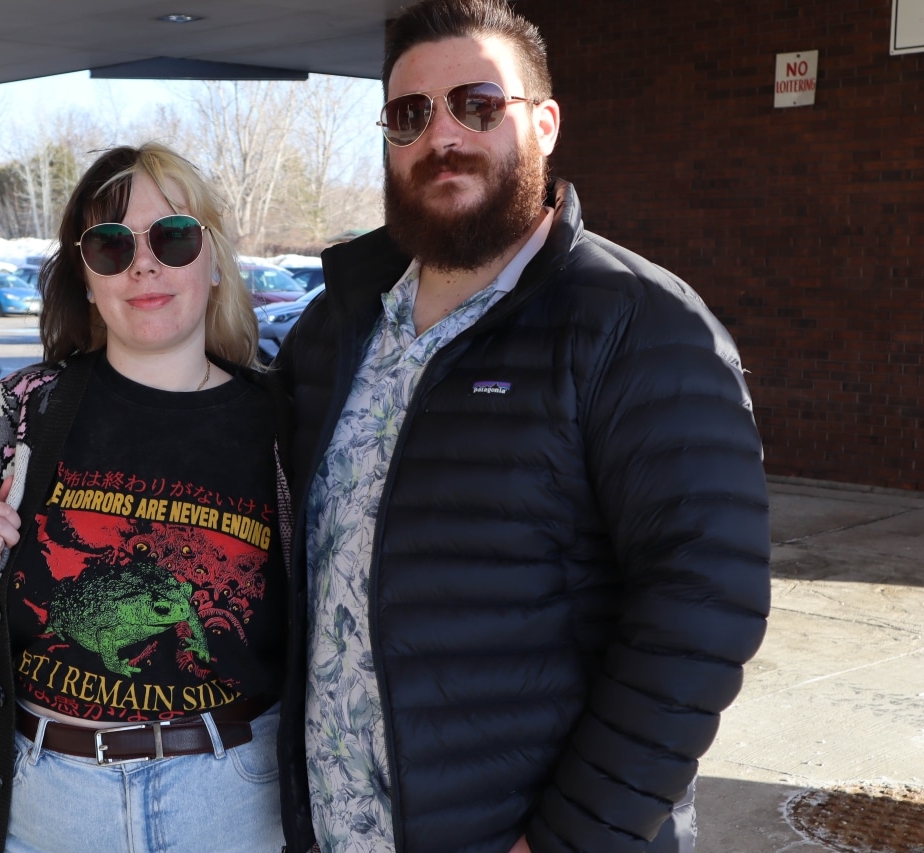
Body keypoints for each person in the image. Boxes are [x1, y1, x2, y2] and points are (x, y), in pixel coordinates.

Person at [272, 1, 772, 851]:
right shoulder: (335, 328)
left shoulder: (641, 325)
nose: (444, 136)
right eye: (409, 113)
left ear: (543, 123)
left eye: (478, 104)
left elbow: (704, 605)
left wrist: (571, 836)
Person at [0, 142, 294, 852]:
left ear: (213, 260)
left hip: (232, 799)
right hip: (47, 799)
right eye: (112, 245)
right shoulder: (7, 423)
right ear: (86, 276)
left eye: (174, 237)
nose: (144, 264)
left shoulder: (288, 426)